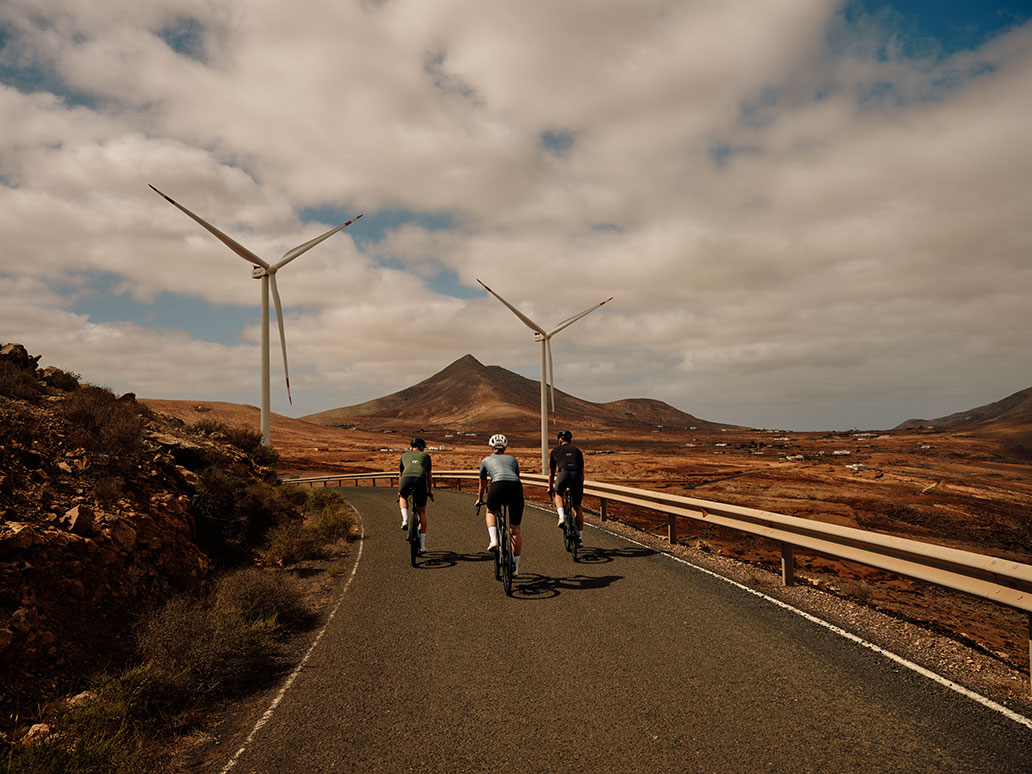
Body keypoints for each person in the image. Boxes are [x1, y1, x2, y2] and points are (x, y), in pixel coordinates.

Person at [477, 433, 525, 575]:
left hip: (497, 485)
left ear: (491, 446)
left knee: (491, 511)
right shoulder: (513, 459)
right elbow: (516, 476)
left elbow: (483, 484)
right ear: (505, 447)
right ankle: (515, 568)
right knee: (515, 529)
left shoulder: (486, 460)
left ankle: (493, 540)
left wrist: (480, 498)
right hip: (515, 487)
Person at [548, 429, 584, 546]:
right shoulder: (577, 451)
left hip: (563, 474)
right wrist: (579, 485)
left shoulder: (555, 451)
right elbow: (582, 472)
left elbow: (551, 473)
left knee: (558, 494)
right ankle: (580, 537)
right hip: (577, 476)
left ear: (560, 439)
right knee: (577, 506)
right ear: (570, 440)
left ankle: (562, 516)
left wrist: (550, 487)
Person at [398, 437, 433, 553]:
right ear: (422, 447)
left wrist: (400, 490)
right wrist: (430, 491)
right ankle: (423, 546)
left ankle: (405, 520)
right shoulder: (426, 456)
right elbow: (429, 476)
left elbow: (400, 474)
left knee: (403, 496)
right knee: (421, 512)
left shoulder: (403, 456)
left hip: (406, 479)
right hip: (420, 480)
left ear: (411, 447)